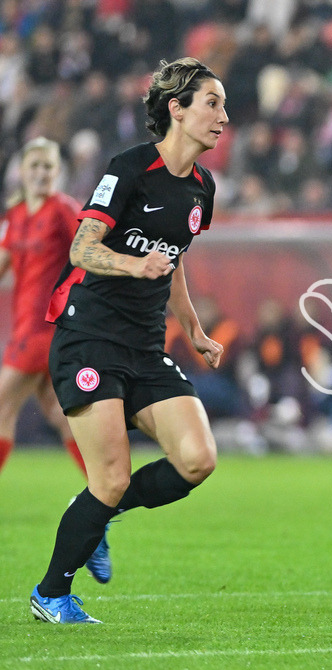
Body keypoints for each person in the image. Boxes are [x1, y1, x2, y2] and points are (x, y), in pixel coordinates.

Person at [30, 57, 228, 624]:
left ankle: (97, 512)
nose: (223, 116)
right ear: (177, 110)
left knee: (197, 459)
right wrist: (131, 265)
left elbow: (176, 260)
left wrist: (192, 327)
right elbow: (82, 249)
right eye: (212, 103)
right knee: (111, 476)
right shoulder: (129, 169)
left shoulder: (201, 188)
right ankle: (51, 594)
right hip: (88, 335)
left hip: (145, 346)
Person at [0, 138, 88, 479]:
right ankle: (106, 488)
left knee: (3, 407)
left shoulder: (63, 209)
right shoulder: (18, 213)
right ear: (21, 171)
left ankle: (106, 488)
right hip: (26, 327)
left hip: (46, 329)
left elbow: (91, 251)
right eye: (34, 166)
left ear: (58, 172)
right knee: (59, 412)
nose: (41, 173)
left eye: (48, 167)